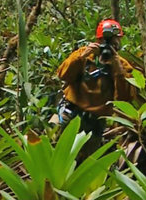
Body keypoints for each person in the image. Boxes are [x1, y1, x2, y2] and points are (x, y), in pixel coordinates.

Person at [57, 19, 137, 159]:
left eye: (114, 42)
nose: (108, 46)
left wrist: (117, 68)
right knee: (61, 157)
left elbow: (125, 99)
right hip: (71, 114)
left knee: (86, 163)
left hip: (94, 124)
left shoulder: (122, 66)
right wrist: (83, 56)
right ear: (98, 40)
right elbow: (63, 75)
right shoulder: (84, 55)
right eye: (105, 42)